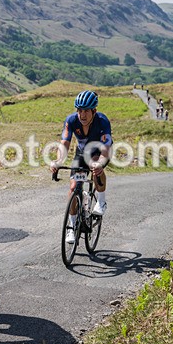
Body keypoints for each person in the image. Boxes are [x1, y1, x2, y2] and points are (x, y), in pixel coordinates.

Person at [50, 90, 113, 244]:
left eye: (86, 111)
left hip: (100, 151)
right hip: (81, 154)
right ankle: (71, 227)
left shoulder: (102, 121)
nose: (82, 115)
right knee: (73, 189)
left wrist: (100, 163)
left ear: (94, 111)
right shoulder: (71, 120)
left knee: (97, 166)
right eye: (79, 110)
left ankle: (102, 201)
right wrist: (58, 161)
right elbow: (64, 143)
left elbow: (106, 148)